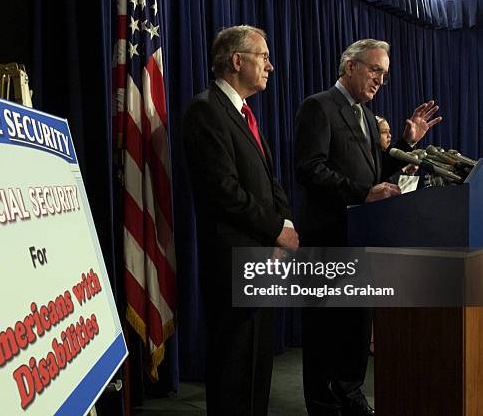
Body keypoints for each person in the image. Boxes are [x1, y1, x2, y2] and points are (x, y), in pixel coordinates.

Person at [294, 39, 442, 416]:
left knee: (356, 329)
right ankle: (324, 404)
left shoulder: (364, 114)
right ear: (349, 67)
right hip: (328, 238)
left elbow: (374, 174)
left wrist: (406, 143)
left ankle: (350, 391)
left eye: (384, 75)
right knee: (326, 331)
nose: (380, 80)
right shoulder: (319, 106)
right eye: (375, 70)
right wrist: (364, 192)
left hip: (361, 238)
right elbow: (310, 169)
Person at [182, 25, 298, 416]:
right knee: (234, 364)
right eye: (263, 57)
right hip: (233, 260)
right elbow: (224, 190)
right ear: (237, 61)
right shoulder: (206, 109)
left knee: (257, 361)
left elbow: (269, 182)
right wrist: (275, 231)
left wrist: (285, 226)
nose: (271, 66)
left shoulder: (243, 113)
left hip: (261, 256)